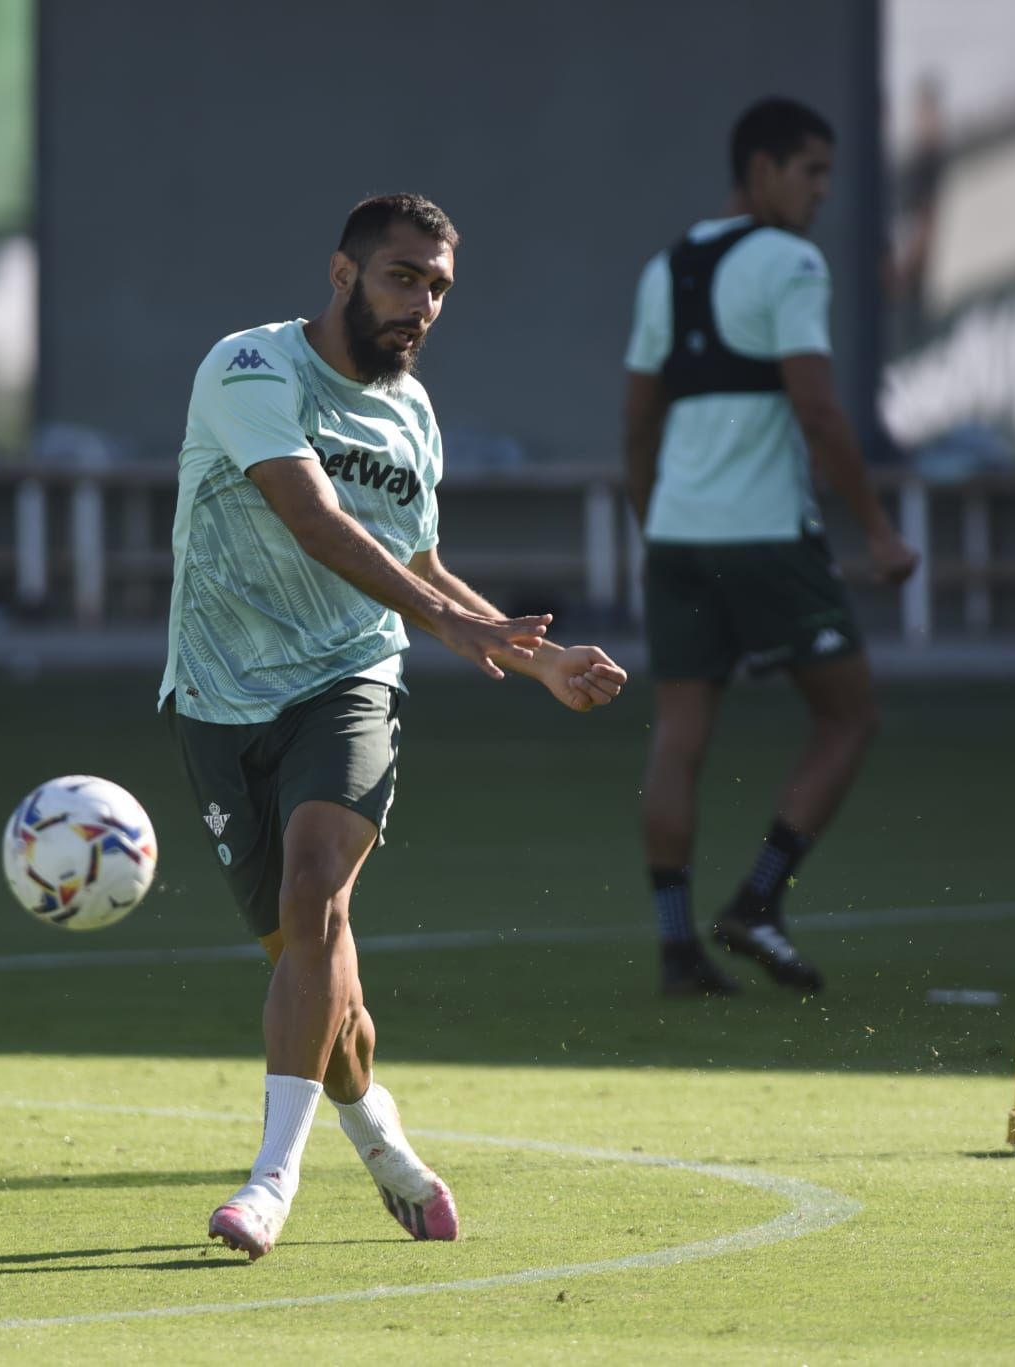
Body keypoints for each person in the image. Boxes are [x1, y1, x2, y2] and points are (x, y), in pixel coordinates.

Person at [160, 192, 629, 1260]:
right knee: (321, 985)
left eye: (437, 287)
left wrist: (535, 653)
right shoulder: (250, 368)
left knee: (316, 884)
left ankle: (269, 1182)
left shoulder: (411, 414)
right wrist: (449, 620)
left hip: (351, 680)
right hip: (218, 700)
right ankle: (383, 1142)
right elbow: (310, 515)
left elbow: (417, 567)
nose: (420, 302)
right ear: (341, 274)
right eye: (401, 276)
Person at [622, 98, 919, 1000]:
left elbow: (638, 423)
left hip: (678, 534)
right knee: (850, 715)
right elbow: (819, 409)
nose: (823, 192)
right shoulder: (791, 262)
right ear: (760, 170)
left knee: (679, 736)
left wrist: (655, 523)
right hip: (765, 536)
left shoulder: (665, 267)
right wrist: (875, 526)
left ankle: (677, 948)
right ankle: (756, 900)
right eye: (811, 171)